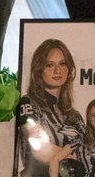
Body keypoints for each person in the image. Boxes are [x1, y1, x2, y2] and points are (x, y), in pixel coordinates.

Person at [17, 39, 86, 177]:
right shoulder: (28, 103)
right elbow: (40, 149)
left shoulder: (75, 117)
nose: (57, 70)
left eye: (62, 64)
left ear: (69, 69)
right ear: (38, 70)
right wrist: (71, 158)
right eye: (49, 65)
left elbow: (87, 156)